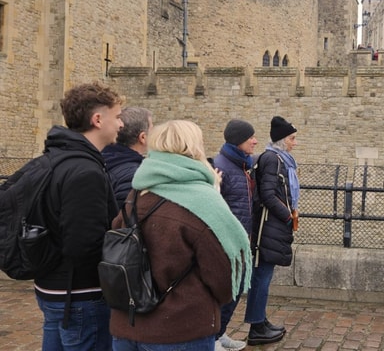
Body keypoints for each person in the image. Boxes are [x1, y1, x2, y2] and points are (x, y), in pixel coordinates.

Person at [110, 120, 252, 351]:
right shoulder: (203, 203)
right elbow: (222, 276)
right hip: (180, 329)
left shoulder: (137, 192)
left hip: (129, 322)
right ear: (194, 148)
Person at [35, 82, 123, 351]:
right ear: (98, 120)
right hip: (80, 295)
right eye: (117, 116)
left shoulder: (55, 157)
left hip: (53, 287)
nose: (121, 124)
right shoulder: (84, 171)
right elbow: (83, 246)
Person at [244, 116, 299, 345]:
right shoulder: (273, 160)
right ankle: (257, 327)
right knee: (261, 276)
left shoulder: (280, 160)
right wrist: (288, 216)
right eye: (292, 139)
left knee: (264, 275)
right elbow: (267, 194)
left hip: (272, 227)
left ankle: (260, 320)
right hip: (268, 227)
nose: (295, 143)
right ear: (282, 140)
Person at [210, 119, 258, 351]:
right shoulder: (221, 167)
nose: (255, 141)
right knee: (226, 291)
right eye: (251, 137)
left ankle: (220, 332)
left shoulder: (241, 165)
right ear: (239, 140)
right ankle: (212, 338)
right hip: (225, 244)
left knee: (236, 290)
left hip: (240, 241)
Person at [102, 106, 153, 208]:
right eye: (152, 129)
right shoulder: (134, 175)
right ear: (143, 137)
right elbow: (125, 217)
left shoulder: (101, 158)